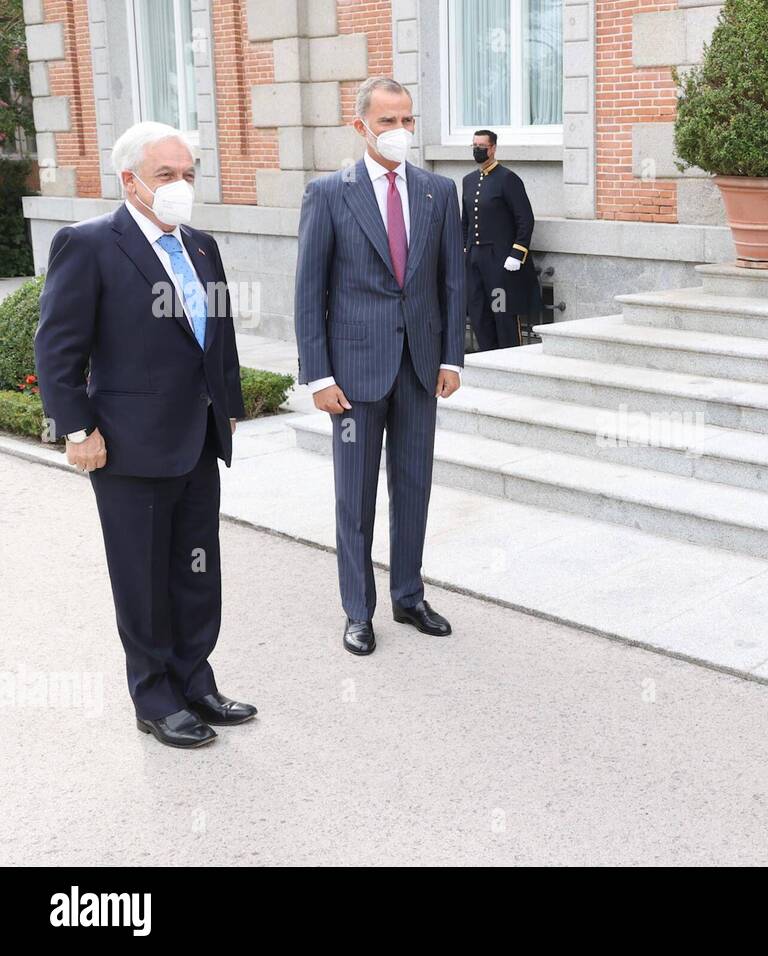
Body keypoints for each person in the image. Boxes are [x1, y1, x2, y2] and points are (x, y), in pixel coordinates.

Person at [34, 121, 255, 749]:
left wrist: (229, 404)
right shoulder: (90, 244)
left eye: (188, 174)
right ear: (130, 180)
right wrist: (77, 428)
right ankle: (155, 697)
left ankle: (195, 679)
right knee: (143, 576)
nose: (181, 186)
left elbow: (220, 335)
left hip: (198, 440)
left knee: (196, 569)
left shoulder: (202, 245)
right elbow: (56, 349)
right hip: (128, 445)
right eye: (167, 175)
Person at [295, 77, 466, 656]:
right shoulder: (328, 193)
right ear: (360, 125)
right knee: (355, 495)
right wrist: (318, 375)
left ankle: (409, 595)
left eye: (407, 121)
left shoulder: (438, 193)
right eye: (388, 121)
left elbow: (451, 282)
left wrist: (450, 357)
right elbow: (308, 290)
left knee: (414, 487)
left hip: (420, 366)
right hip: (353, 374)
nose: (400, 132)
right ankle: (358, 610)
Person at [462, 129, 540, 351]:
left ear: (493, 148)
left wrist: (517, 253)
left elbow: (525, 219)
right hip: (475, 258)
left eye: (482, 146)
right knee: (478, 311)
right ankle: (487, 357)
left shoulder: (507, 179)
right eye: (474, 146)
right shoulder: (468, 181)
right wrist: (463, 251)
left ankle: (509, 358)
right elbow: (465, 221)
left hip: (500, 260)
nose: (477, 150)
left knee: (502, 312)